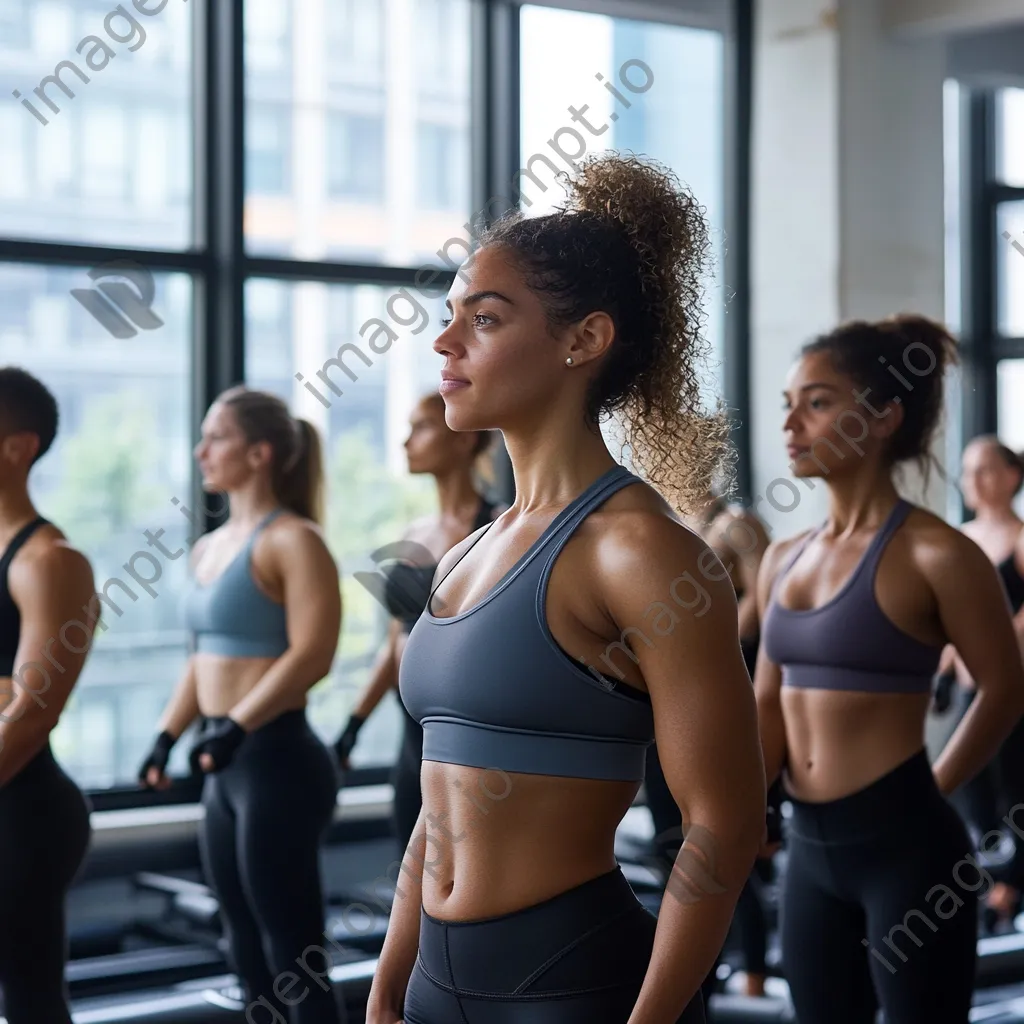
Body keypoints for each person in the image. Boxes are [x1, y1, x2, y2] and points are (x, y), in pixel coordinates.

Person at [366, 153, 766, 1024]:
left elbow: (724, 827)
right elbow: (441, 802)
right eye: (449, 317)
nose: (445, 342)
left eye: (485, 318)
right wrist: (388, 981)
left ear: (583, 339)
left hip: (572, 988)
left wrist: (650, 1019)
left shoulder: (642, 553)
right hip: (433, 983)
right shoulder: (464, 554)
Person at [756, 315, 1024, 1024]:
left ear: (883, 418)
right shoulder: (781, 559)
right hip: (807, 855)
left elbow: (1004, 686)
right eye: (788, 404)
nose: (792, 421)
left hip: (907, 850)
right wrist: (748, 806)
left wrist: (934, 789)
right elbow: (764, 701)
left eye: (816, 402)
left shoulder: (939, 554)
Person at [138, 386, 343, 1024]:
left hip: (277, 761)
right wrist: (167, 736)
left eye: (216, 437)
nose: (201, 451)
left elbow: (313, 653)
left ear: (259, 453)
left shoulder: (295, 540)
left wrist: (236, 724)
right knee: (242, 947)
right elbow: (204, 661)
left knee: (293, 950)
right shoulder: (209, 548)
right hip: (223, 766)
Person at [334, 391, 502, 852]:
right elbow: (396, 642)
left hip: (464, 736)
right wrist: (353, 726)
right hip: (411, 736)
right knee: (407, 871)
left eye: (422, 427)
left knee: (460, 869)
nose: (407, 442)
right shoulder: (413, 534)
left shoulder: (496, 531)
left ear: (465, 440)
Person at [645, 499, 778, 1006]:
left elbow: (769, 600)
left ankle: (756, 977)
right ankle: (699, 978)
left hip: (726, 677)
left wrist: (710, 630)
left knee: (721, 847)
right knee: (675, 851)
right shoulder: (665, 525)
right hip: (669, 695)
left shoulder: (736, 524)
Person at [0, 368, 96, 1024]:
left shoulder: (50, 562)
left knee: (31, 1001)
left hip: (24, 817)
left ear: (18, 447)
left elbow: (31, 712)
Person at [944, 436, 1024, 923]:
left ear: (1012, 476)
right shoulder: (960, 537)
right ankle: (986, 882)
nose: (975, 479)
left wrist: (983, 648)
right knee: (970, 786)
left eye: (986, 469)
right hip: (966, 685)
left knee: (1013, 787)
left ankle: (1011, 887)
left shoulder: (1019, 536)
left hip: (1012, 685)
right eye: (968, 470)